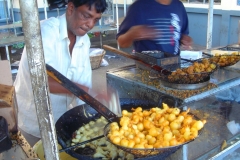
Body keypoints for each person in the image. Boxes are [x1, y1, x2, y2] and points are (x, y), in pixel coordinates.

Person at [14, 0, 107, 146]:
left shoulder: (83, 41)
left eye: (95, 19)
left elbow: (83, 81)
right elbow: (42, 81)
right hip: (33, 121)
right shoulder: (45, 33)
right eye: (86, 15)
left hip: (60, 121)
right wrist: (84, 90)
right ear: (71, 8)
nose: (90, 24)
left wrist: (90, 111)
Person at [116, 0, 192, 55]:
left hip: (174, 65)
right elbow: (121, 42)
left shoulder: (179, 6)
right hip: (147, 69)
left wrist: (185, 39)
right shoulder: (139, 6)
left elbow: (182, 34)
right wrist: (132, 33)